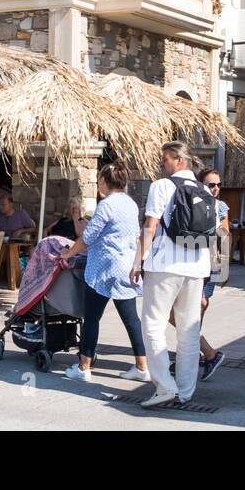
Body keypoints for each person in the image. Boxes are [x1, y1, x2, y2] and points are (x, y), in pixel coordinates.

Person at [132, 142, 212, 408]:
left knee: (152, 324)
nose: (161, 164)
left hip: (165, 264)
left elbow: (151, 225)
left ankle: (165, 384)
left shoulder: (162, 186)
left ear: (178, 160)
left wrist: (137, 260)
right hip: (196, 265)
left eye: (164, 159)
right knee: (189, 330)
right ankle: (186, 391)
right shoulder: (204, 188)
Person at [60, 161, 149, 383]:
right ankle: (142, 366)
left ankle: (84, 367)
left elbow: (88, 237)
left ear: (104, 181)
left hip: (103, 269)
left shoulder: (106, 205)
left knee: (92, 318)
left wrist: (67, 254)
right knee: (131, 320)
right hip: (125, 267)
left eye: (99, 179)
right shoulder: (130, 204)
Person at [168, 169, 229, 382]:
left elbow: (225, 236)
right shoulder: (189, 200)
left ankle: (202, 354)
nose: (216, 188)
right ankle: (198, 354)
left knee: (194, 310)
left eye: (218, 185)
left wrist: (224, 266)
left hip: (208, 264)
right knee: (188, 312)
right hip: (193, 263)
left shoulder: (219, 206)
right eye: (211, 185)